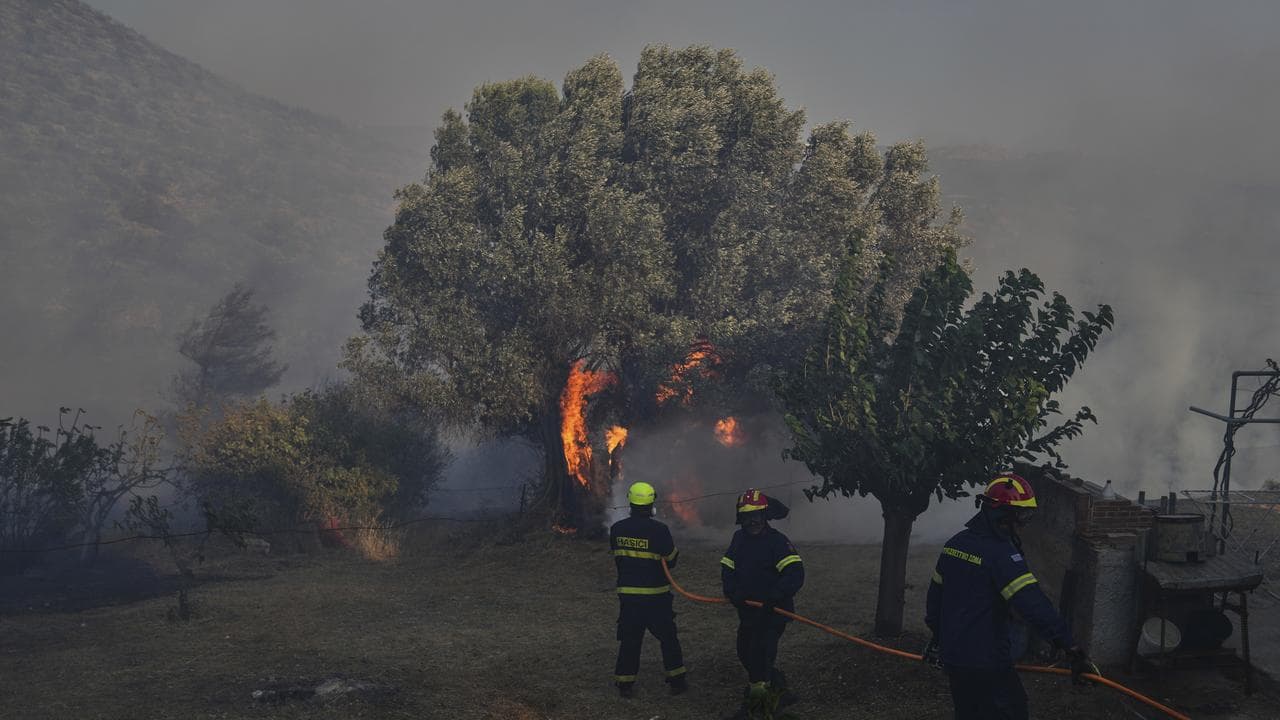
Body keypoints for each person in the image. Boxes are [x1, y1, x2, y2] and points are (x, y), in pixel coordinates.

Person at [925, 472, 1093, 720]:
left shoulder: (954, 544)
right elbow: (1033, 606)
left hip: (954, 659)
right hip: (987, 662)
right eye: (1022, 515)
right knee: (1012, 711)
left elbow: (934, 602)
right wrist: (1071, 647)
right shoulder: (1001, 555)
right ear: (1002, 515)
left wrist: (939, 639)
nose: (1024, 524)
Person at [720, 489, 804, 716]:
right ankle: (780, 689)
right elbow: (727, 566)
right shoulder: (739, 539)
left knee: (759, 656)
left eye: (757, 515)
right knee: (744, 652)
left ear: (765, 516)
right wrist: (732, 591)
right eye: (748, 516)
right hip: (748, 611)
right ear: (741, 518)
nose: (753, 521)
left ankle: (756, 709)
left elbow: (795, 573)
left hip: (773, 612)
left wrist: (775, 595)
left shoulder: (777, 542)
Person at [609, 481, 687, 698]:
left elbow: (618, 556)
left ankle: (625, 684)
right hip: (656, 597)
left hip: (629, 597)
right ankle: (677, 681)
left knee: (630, 641)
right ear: (651, 504)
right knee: (668, 639)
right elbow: (671, 560)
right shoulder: (660, 530)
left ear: (631, 503)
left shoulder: (617, 529)